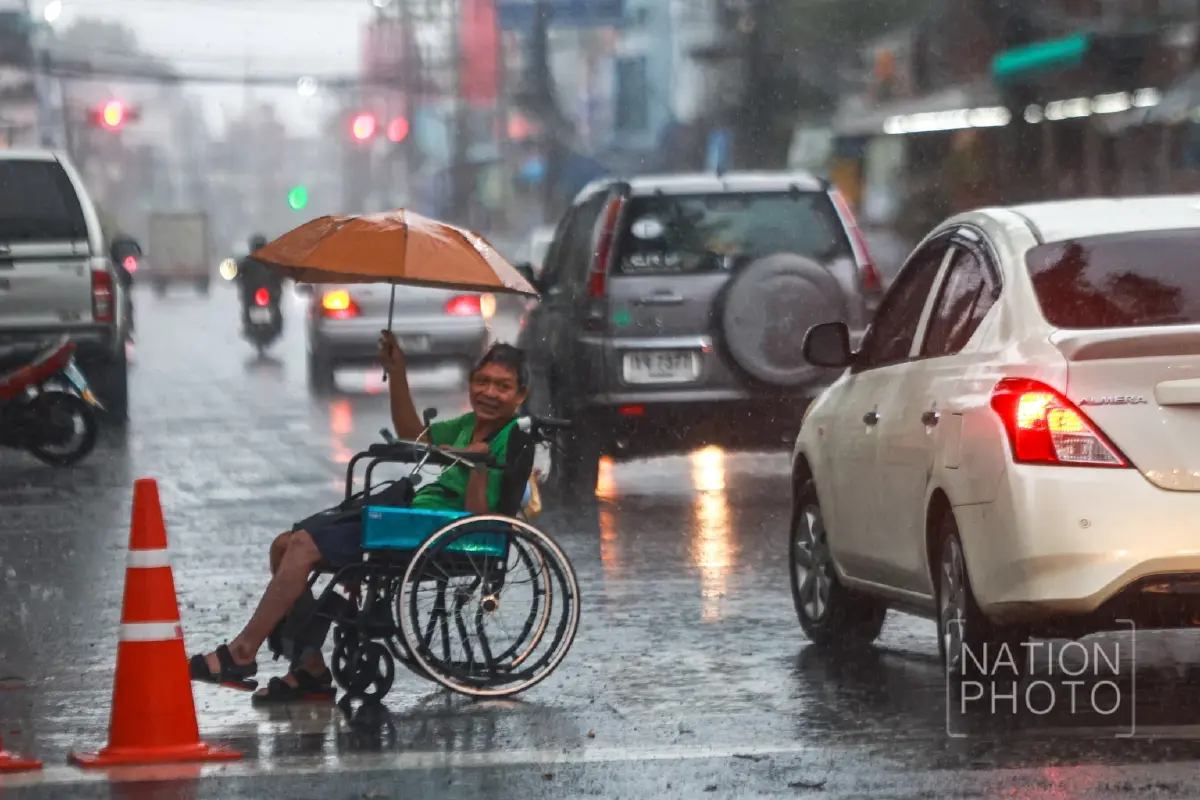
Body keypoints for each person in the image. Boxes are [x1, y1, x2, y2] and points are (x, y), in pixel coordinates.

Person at [188, 334, 536, 701]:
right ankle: (309, 669)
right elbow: (412, 433)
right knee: (284, 546)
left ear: (521, 395)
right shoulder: (470, 425)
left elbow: (478, 521)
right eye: (482, 382)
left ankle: (243, 651)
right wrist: (397, 372)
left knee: (304, 547)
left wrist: (476, 463)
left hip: (442, 534)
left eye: (503, 386)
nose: (489, 392)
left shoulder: (508, 437)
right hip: (412, 518)